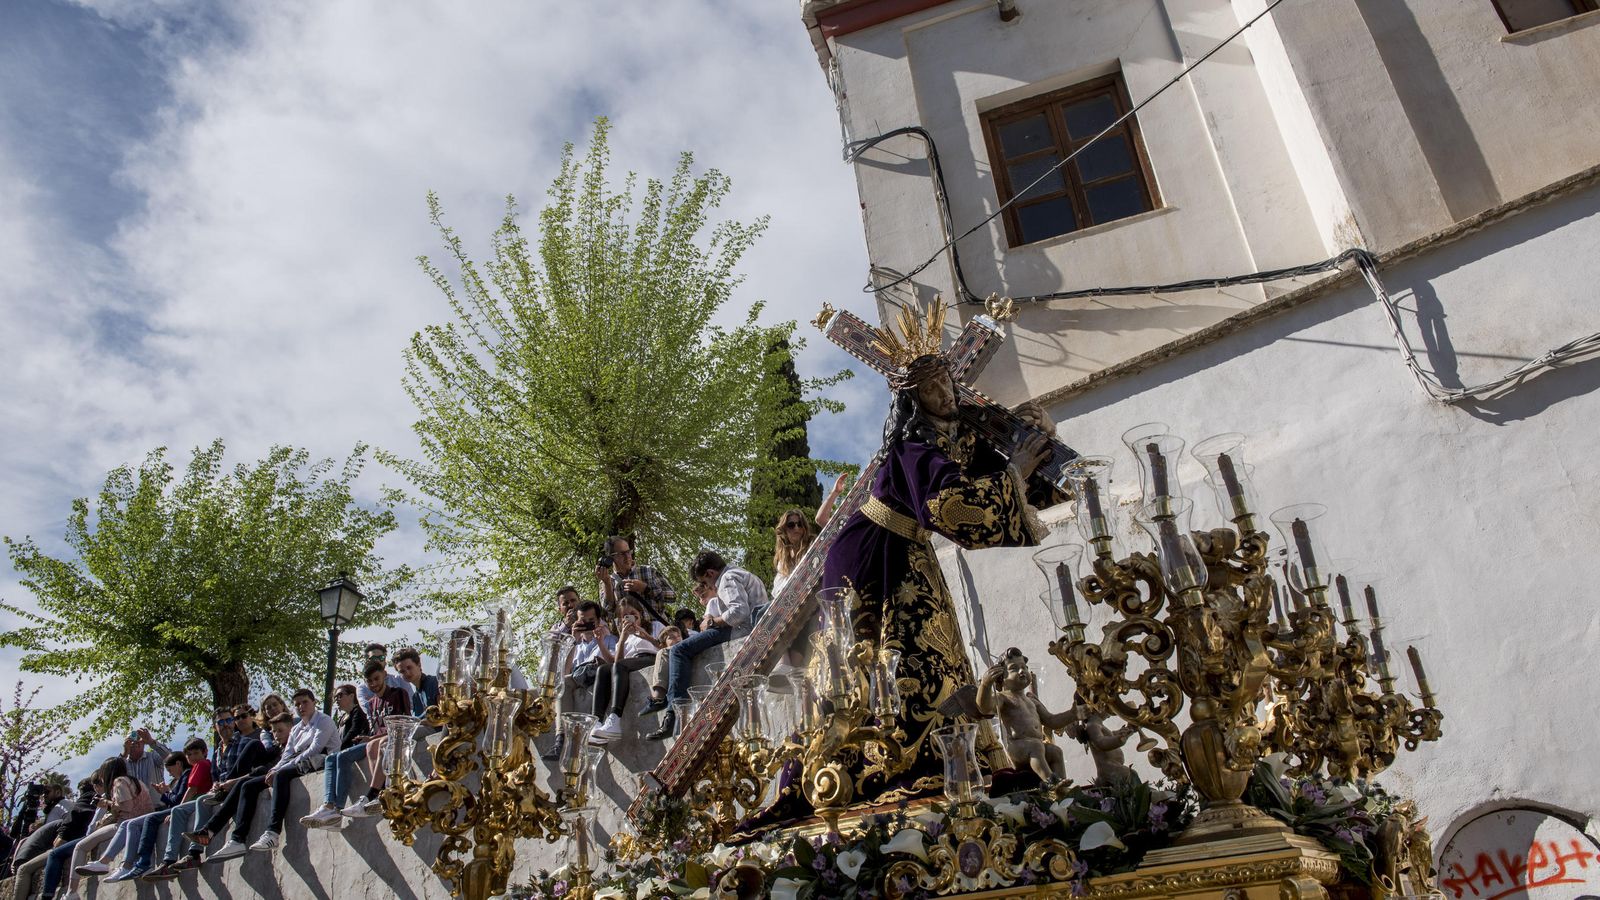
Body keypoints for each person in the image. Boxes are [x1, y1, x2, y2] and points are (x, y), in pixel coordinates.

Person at [814, 307, 1059, 803]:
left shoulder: (956, 434)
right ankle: (893, 759)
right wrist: (1014, 472)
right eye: (931, 390)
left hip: (907, 549)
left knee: (935, 647)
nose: (945, 394)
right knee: (898, 657)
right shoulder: (911, 448)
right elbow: (949, 506)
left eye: (946, 381)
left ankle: (953, 752)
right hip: (871, 556)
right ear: (912, 400)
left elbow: (1001, 472)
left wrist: (1038, 441)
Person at [645, 550, 766, 741]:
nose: (707, 586)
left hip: (739, 630)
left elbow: (739, 612)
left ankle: (672, 714)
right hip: (746, 626)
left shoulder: (727, 578)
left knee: (678, 650)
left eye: (705, 582)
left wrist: (712, 622)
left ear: (710, 573)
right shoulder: (739, 573)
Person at [159, 713, 289, 873]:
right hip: (245, 778)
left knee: (246, 775)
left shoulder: (249, 741)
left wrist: (231, 782)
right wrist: (219, 784)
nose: (276, 734)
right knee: (174, 811)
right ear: (215, 726)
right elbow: (216, 775)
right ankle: (208, 837)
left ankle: (202, 847)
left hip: (271, 772)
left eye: (229, 720)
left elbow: (278, 763)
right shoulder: (217, 752)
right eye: (274, 731)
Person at [237, 688, 338, 853]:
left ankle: (273, 832)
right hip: (298, 763)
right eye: (297, 704)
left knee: (282, 775)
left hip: (322, 760)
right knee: (250, 784)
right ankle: (238, 839)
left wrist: (282, 769)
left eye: (305, 702)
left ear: (314, 702)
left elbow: (315, 749)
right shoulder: (297, 729)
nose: (301, 707)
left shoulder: (324, 720)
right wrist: (275, 769)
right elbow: (287, 754)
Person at [39, 757, 152, 900]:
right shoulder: (136, 781)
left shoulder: (119, 782)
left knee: (81, 846)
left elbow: (127, 808)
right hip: (142, 820)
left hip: (127, 823)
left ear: (107, 772)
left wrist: (107, 804)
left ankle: (72, 893)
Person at [305, 664, 403, 825]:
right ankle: (330, 808)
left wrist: (369, 739)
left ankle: (356, 801)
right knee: (332, 759)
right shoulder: (372, 704)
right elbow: (374, 729)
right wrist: (368, 737)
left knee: (343, 755)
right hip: (373, 739)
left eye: (376, 679)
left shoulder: (395, 695)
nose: (373, 684)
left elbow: (400, 723)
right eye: (369, 681)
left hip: (385, 739)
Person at [541, 601, 615, 760]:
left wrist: (601, 641)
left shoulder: (610, 639)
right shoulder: (576, 645)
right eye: (583, 621)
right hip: (578, 677)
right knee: (563, 683)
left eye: (591, 621)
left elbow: (614, 664)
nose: (587, 625)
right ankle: (560, 740)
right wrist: (573, 640)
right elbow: (566, 673)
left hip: (599, 677)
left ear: (598, 620)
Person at [589, 595, 664, 743]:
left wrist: (646, 636)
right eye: (624, 616)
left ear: (640, 613)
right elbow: (617, 663)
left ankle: (615, 718)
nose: (629, 618)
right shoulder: (623, 638)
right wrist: (622, 639)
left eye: (633, 614)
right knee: (603, 670)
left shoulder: (655, 626)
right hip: (629, 663)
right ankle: (596, 721)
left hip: (651, 658)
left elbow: (666, 647)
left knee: (618, 666)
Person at [10, 779, 96, 900]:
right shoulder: (53, 809)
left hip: (60, 844)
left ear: (57, 792)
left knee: (26, 869)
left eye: (47, 792)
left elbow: (69, 821)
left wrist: (61, 837)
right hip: (52, 843)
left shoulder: (64, 804)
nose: (44, 795)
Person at [595, 536, 674, 624]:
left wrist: (645, 588)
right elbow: (608, 612)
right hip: (631, 634)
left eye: (629, 552)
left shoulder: (648, 570)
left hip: (658, 630)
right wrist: (607, 584)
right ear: (610, 558)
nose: (628, 556)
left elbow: (672, 597)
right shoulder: (607, 581)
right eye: (622, 554)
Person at [637, 625, 683, 716]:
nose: (677, 639)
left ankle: (658, 698)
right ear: (663, 645)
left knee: (662, 652)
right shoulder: (664, 650)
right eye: (671, 638)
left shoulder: (669, 650)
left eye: (679, 636)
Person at [355, 643, 413, 708]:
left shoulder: (400, 680)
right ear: (367, 662)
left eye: (381, 658)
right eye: (373, 658)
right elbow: (367, 709)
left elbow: (412, 704)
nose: (377, 661)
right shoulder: (362, 688)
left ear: (385, 661)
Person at [120, 728, 171, 795]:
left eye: (138, 739)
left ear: (144, 742)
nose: (134, 742)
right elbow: (112, 775)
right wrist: (125, 753)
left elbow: (170, 757)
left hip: (157, 805)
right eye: (130, 740)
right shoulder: (123, 763)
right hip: (133, 805)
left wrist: (151, 741)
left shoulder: (153, 757)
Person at [392, 647, 439, 718]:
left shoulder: (434, 682)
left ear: (419, 665)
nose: (407, 673)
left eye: (409, 667)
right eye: (402, 671)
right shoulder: (415, 697)